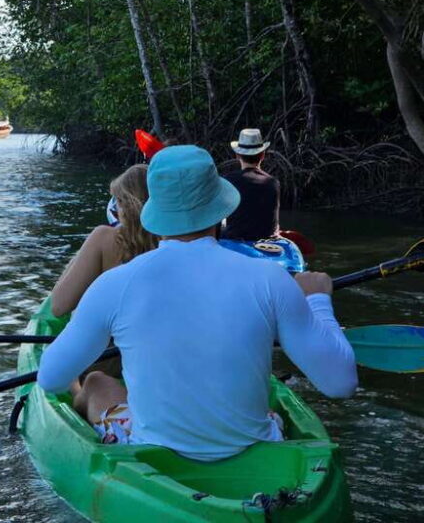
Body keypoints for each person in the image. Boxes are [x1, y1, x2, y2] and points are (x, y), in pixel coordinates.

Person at [38, 145, 357, 462]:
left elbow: (50, 378)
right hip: (255, 449)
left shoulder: (113, 284)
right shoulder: (272, 279)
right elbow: (341, 384)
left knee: (96, 382)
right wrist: (317, 300)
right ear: (221, 210)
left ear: (154, 214)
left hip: (154, 450)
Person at [51, 164, 156, 318]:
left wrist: (79, 256)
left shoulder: (104, 238)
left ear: (125, 206)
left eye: (118, 201)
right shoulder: (174, 243)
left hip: (108, 340)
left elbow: (58, 306)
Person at [221, 128, 280, 241]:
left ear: (237, 155)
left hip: (235, 237)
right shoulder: (274, 183)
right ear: (262, 155)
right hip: (267, 239)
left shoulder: (228, 181)